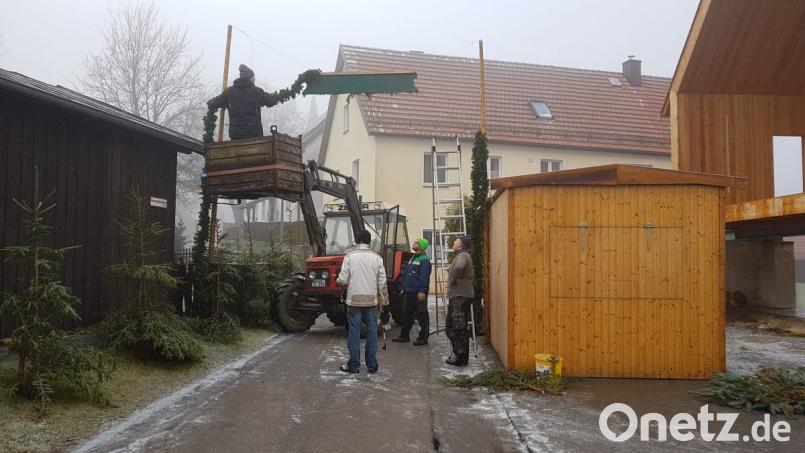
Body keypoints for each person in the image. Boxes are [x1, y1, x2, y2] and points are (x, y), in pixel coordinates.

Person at [336, 230, 389, 374]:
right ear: (369, 241)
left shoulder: (349, 257)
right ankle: (372, 366)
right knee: (372, 333)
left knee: (354, 332)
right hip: (371, 301)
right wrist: (384, 303)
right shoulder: (377, 258)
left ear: (357, 241)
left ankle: (354, 365)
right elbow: (382, 283)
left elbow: (343, 280)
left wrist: (338, 280)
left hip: (353, 301)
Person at [207, 64, 275, 140]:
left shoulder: (229, 92)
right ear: (250, 78)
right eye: (254, 78)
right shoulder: (257, 91)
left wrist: (215, 103)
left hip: (236, 135)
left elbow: (214, 103)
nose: (254, 80)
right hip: (254, 134)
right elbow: (271, 101)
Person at [392, 238, 432, 345]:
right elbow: (407, 276)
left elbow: (424, 278)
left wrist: (422, 291)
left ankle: (423, 337)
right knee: (406, 314)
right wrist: (404, 289)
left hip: (418, 292)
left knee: (422, 314)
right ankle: (404, 336)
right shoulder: (413, 259)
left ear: (422, 246)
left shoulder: (424, 260)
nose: (414, 243)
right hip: (408, 292)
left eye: (417, 242)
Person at [445, 235, 474, 366]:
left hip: (460, 296)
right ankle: (461, 356)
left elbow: (458, 268)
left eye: (456, 240)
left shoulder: (462, 256)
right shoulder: (461, 255)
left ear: (461, 245)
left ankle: (460, 357)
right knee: (456, 327)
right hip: (459, 295)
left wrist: (452, 279)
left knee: (456, 327)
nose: (454, 241)